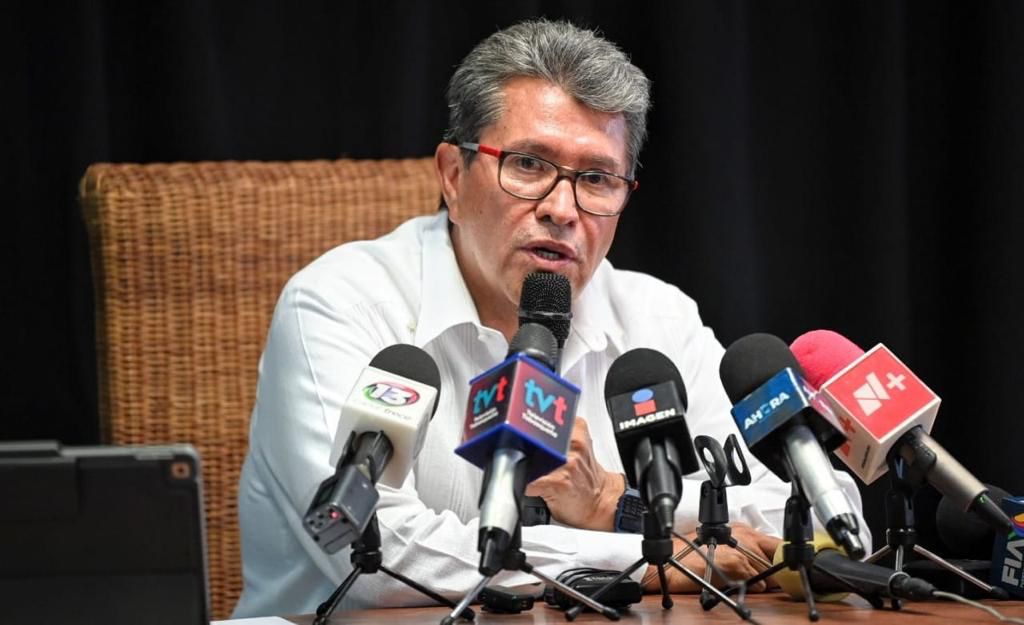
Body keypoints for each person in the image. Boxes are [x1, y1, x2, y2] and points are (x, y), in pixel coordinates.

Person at [232, 18, 867, 617]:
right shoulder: (341, 303)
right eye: (529, 165)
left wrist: (612, 504)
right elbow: (371, 553)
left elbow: (823, 527)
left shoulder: (657, 320)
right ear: (453, 176)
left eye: (597, 178)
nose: (562, 208)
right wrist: (646, 559)